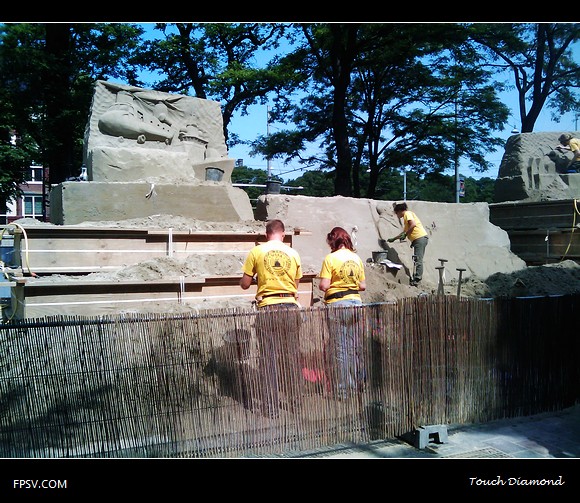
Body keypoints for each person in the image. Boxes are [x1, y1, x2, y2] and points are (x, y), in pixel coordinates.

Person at [240, 219, 303, 417]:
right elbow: (296, 282)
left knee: (268, 360)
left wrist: (258, 278)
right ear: (283, 235)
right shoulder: (293, 253)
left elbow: (244, 284)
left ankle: (272, 408)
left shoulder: (257, 251)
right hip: (291, 309)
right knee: (292, 357)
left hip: (268, 308)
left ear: (267, 234)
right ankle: (296, 404)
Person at [318, 227, 366, 400]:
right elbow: (362, 286)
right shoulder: (356, 258)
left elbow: (324, 285)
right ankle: (355, 387)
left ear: (333, 240)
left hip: (338, 305)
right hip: (355, 304)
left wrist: (336, 284)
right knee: (353, 349)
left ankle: (342, 391)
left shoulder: (330, 259)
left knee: (341, 350)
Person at [388, 202, 428, 287]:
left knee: (418, 259)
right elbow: (404, 232)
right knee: (417, 259)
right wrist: (394, 238)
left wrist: (406, 234)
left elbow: (413, 225)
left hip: (419, 238)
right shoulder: (406, 219)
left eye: (396, 213)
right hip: (418, 239)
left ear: (399, 211)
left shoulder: (407, 214)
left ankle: (417, 280)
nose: (396, 215)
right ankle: (416, 278)